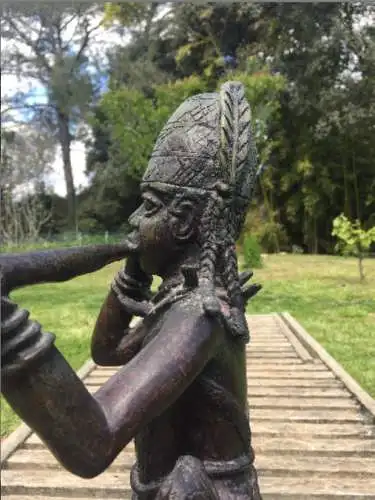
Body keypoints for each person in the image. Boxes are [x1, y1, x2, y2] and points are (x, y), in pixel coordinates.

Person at [1, 81, 262, 499]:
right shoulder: (180, 299)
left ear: (182, 222)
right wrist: (133, 271)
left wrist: (7, 331)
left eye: (149, 205)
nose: (135, 220)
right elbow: (107, 351)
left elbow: (92, 443)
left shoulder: (198, 315)